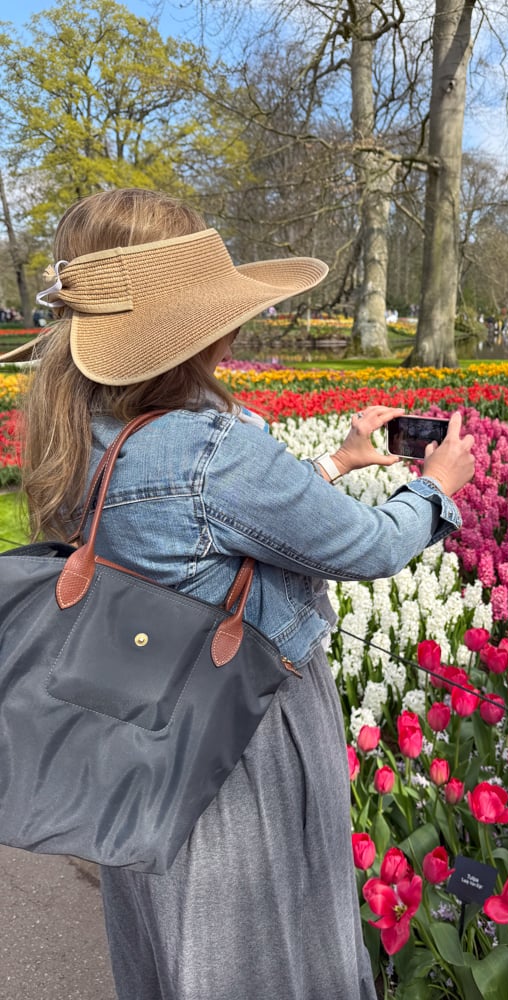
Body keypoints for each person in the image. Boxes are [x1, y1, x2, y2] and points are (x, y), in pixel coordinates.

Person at [15, 188, 475, 1000]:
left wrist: (334, 463)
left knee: (176, 950)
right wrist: (435, 489)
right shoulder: (212, 446)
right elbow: (365, 547)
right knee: (261, 955)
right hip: (239, 740)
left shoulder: (84, 429)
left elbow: (205, 535)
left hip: (142, 741)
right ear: (203, 329)